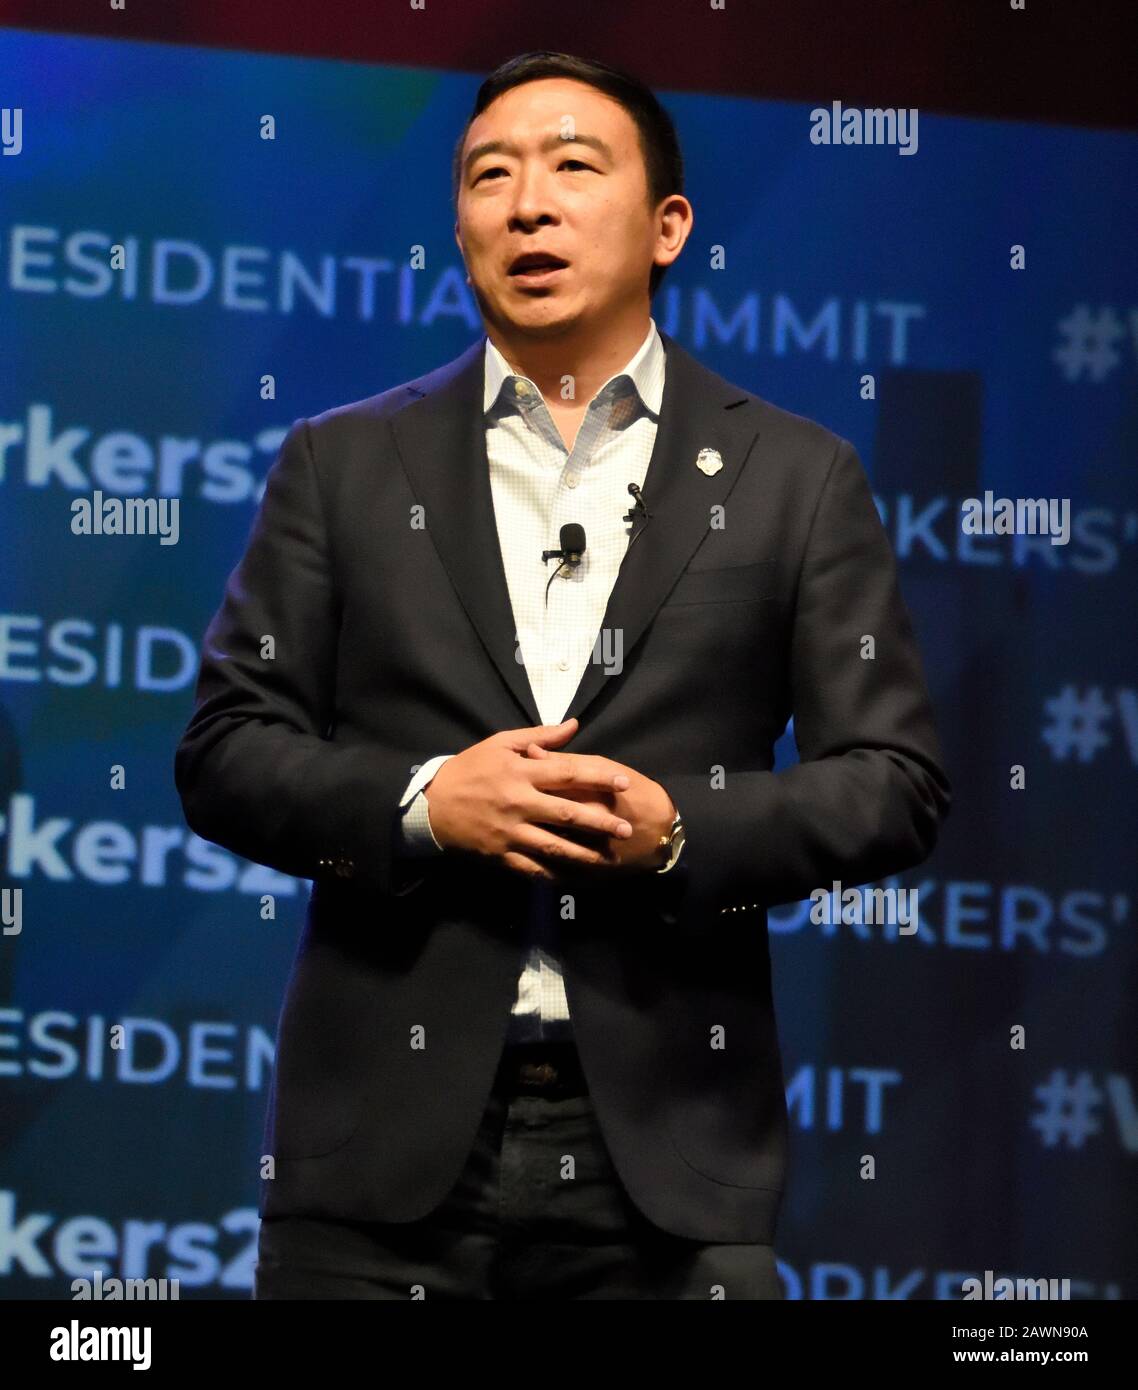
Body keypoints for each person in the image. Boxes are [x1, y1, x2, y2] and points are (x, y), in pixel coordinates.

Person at [174, 50, 951, 1300]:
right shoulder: (342, 463)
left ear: (666, 226)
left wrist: (678, 827)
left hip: (667, 1158)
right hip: (378, 1170)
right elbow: (224, 752)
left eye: (572, 167)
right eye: (490, 175)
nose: (526, 203)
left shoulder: (795, 480)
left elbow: (896, 780)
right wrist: (426, 804)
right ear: (463, 227)